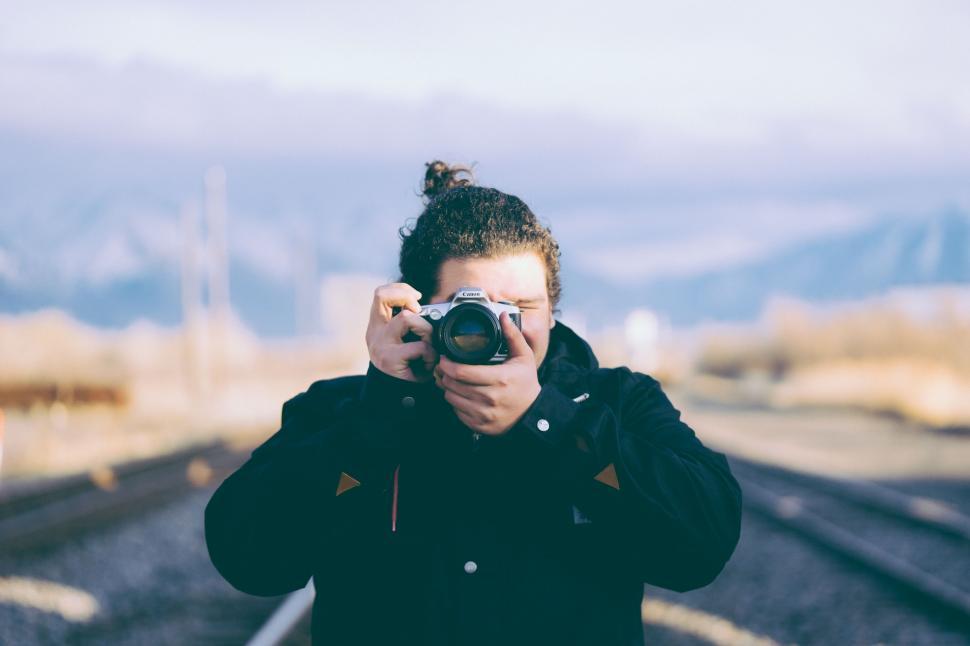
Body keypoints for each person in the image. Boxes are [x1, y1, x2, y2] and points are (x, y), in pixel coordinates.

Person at [204, 161, 742, 646]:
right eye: (473, 309)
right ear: (417, 310)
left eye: (521, 307)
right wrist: (378, 416)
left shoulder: (617, 404)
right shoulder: (342, 413)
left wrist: (547, 421)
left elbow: (703, 544)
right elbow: (249, 559)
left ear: (552, 310)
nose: (501, 327)